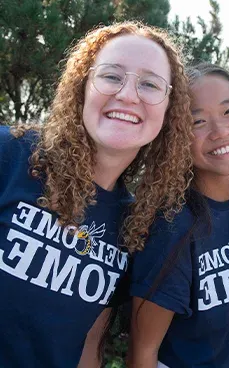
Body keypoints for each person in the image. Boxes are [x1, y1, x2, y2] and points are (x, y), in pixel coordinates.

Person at [0, 21, 193, 368]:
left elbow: (89, 345)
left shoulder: (133, 225)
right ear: (82, 87)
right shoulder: (9, 156)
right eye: (111, 76)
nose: (128, 95)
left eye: (149, 84)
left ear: (168, 113)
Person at [129, 63, 229, 368]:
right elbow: (143, 350)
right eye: (197, 121)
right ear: (176, 137)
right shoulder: (172, 227)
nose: (221, 131)